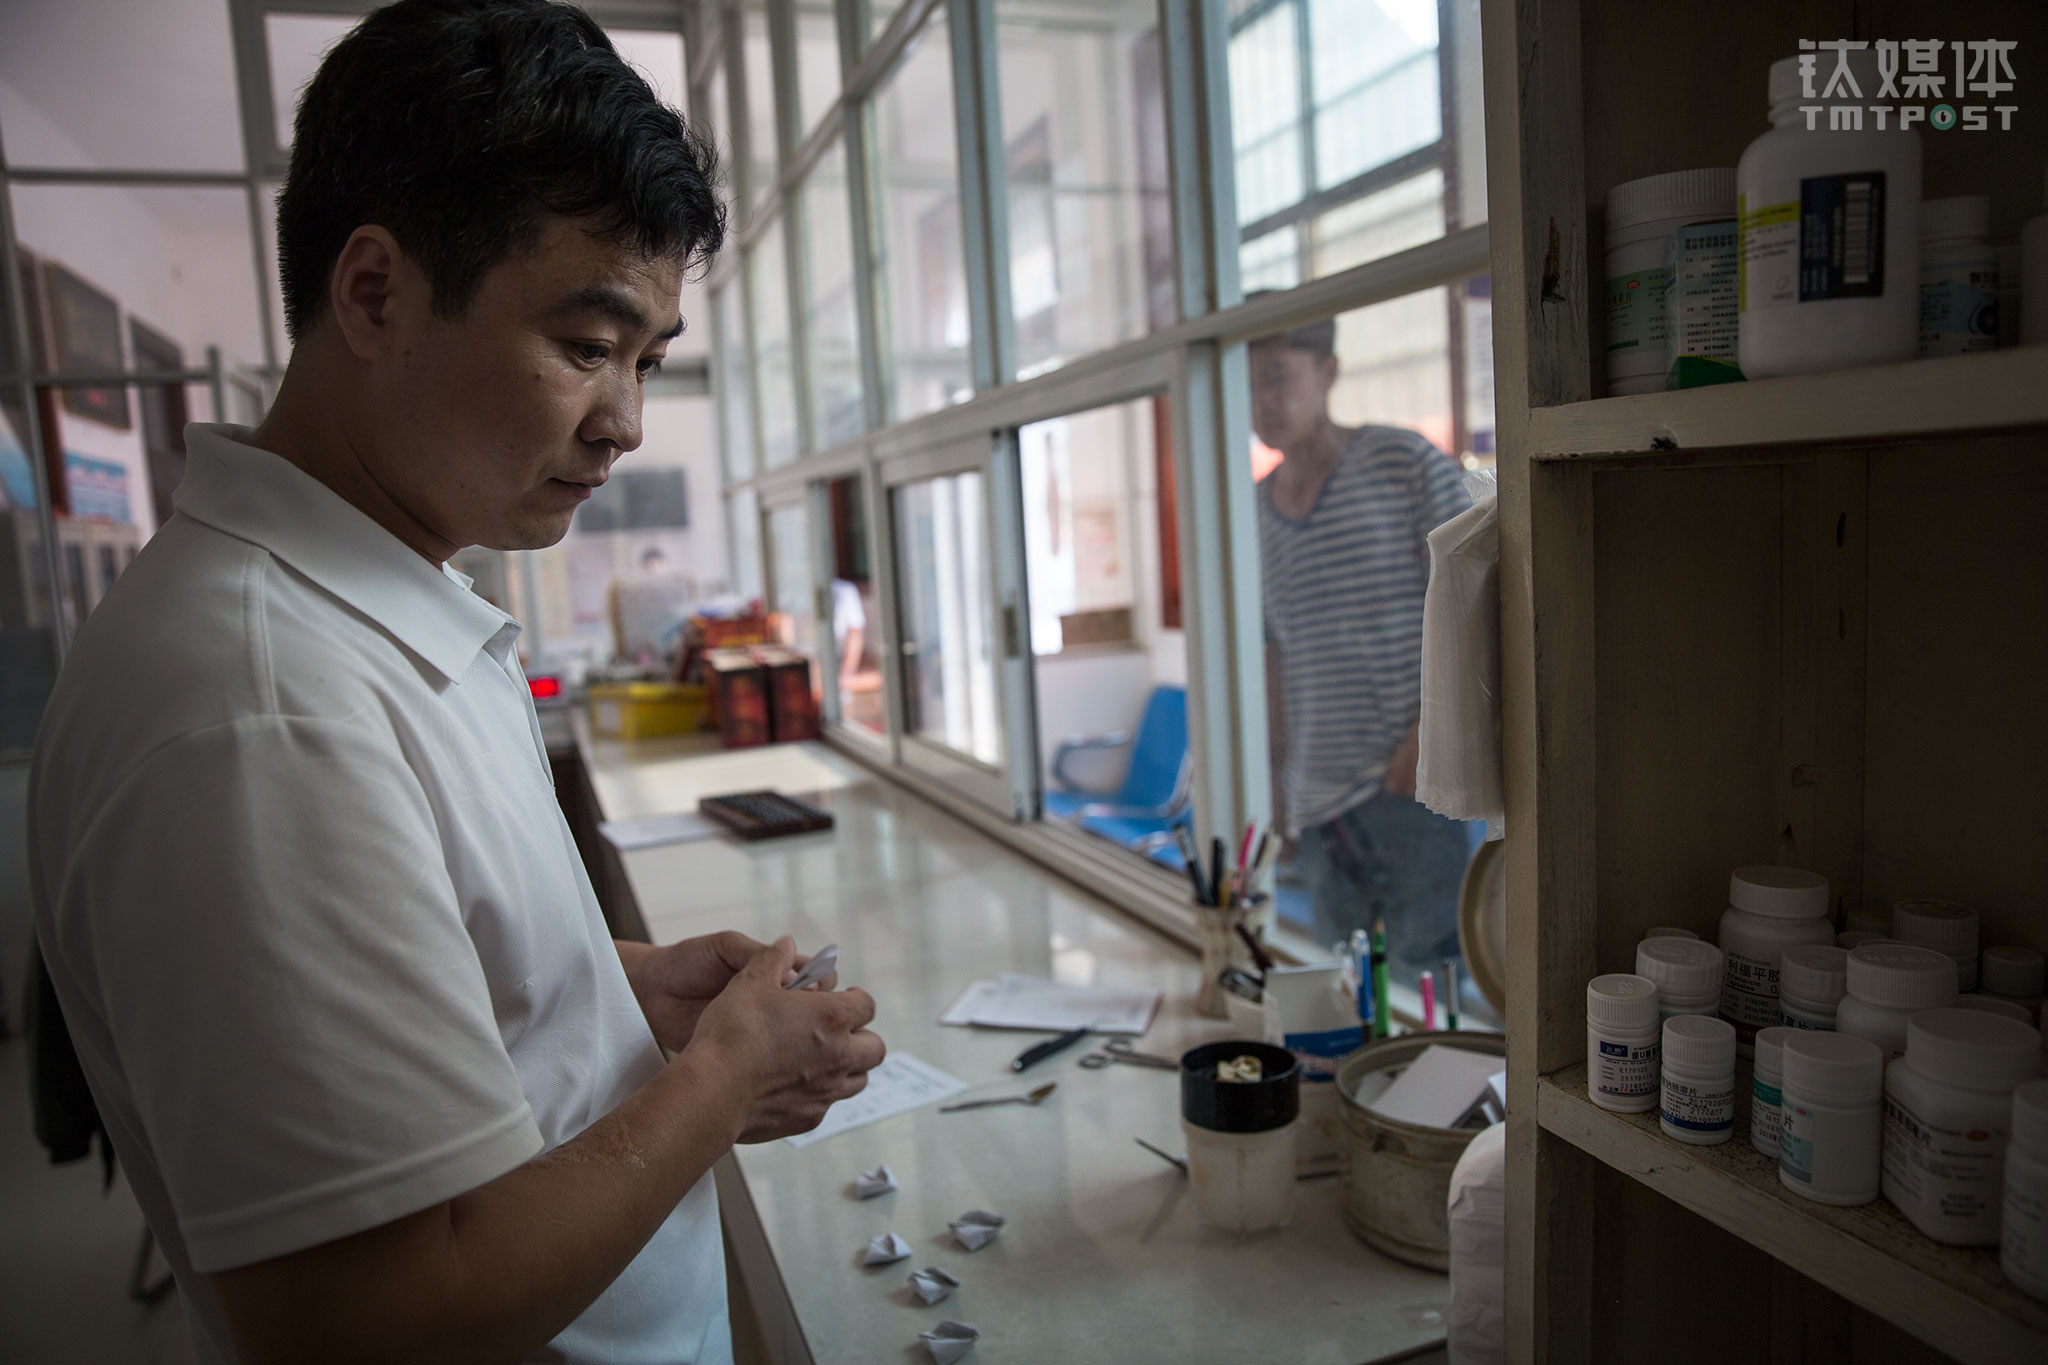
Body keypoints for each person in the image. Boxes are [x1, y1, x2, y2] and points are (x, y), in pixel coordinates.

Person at [27, 4, 884, 1362]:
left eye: (648, 361)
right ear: (375, 293)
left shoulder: (379, 601)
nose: (625, 422)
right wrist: (723, 1079)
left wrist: (606, 992)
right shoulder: (263, 710)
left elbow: (416, 967)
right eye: (588, 345)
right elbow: (376, 1317)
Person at [1250, 311, 1477, 988]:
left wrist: (1430, 727)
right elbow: (1273, 653)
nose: (1261, 401)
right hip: (1317, 803)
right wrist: (1276, 783)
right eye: (1245, 385)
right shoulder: (1255, 508)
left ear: (1328, 372)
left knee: (1426, 990)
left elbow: (1477, 593)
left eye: (1274, 377)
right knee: (1341, 994)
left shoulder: (1400, 461)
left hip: (1411, 783)